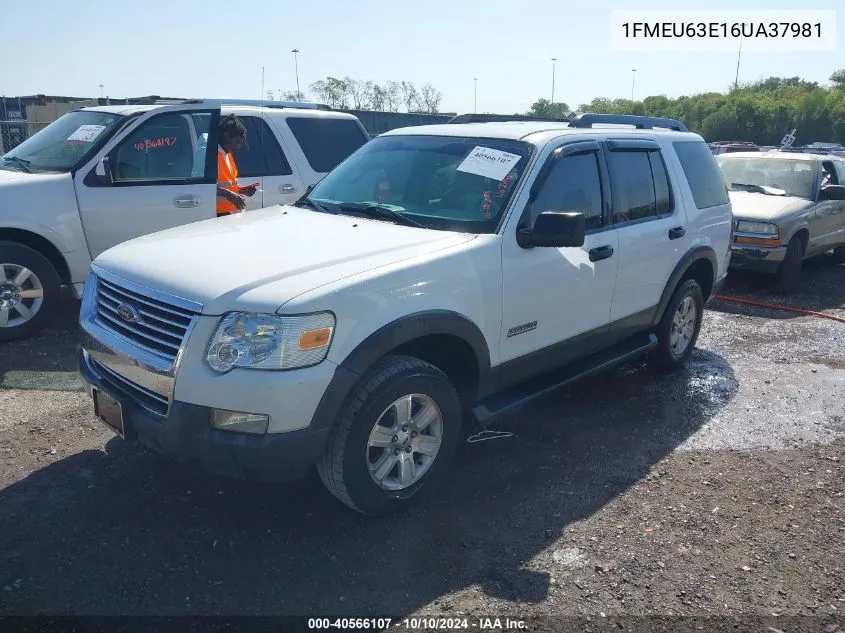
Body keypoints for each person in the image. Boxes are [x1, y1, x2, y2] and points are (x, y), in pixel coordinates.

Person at [216, 114, 257, 216]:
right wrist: (229, 195)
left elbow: (228, 184)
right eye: (237, 142)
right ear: (227, 136)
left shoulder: (227, 153)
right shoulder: (210, 155)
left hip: (231, 213)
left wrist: (241, 190)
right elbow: (202, 187)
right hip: (218, 215)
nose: (239, 147)